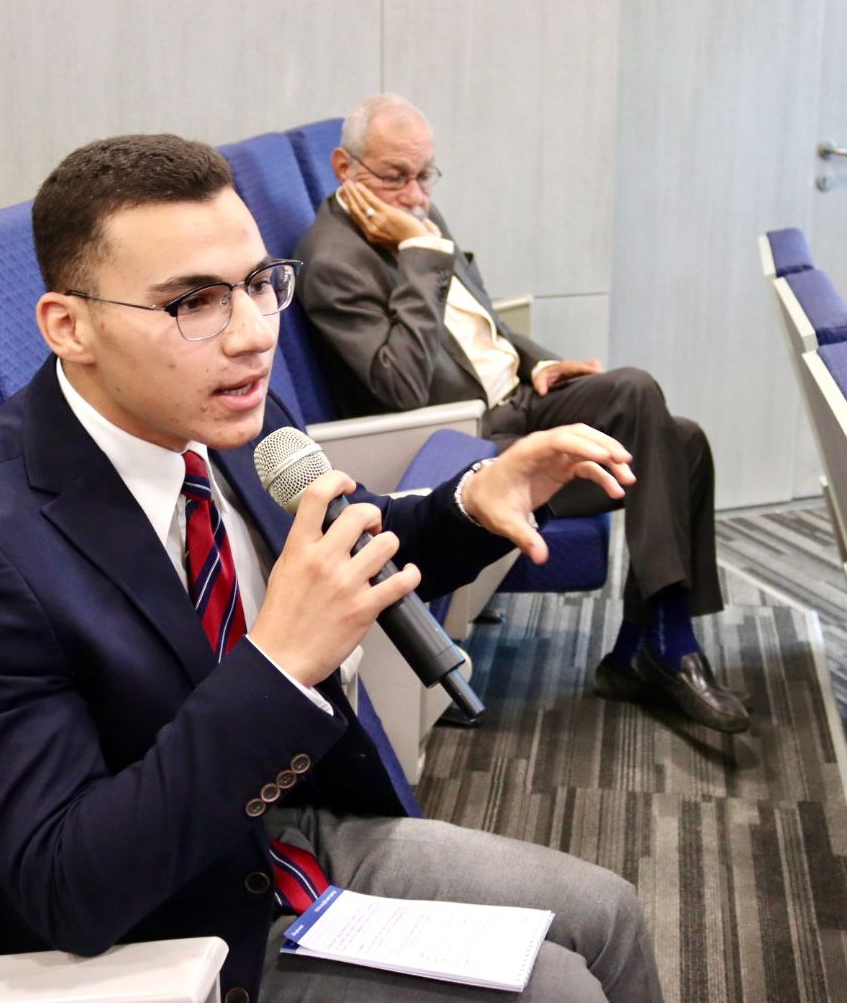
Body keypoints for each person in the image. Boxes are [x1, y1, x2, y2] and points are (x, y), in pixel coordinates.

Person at [0, 134, 674, 1003]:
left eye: (259, 284)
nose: (255, 334)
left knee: (606, 915)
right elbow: (70, 884)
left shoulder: (222, 412)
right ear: (69, 327)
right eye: (193, 302)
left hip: (278, 831)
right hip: (161, 943)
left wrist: (471, 502)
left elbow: (346, 539)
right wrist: (281, 664)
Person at [295, 93, 748, 735]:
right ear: (345, 167)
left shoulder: (418, 213)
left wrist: (537, 361)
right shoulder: (334, 262)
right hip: (467, 436)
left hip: (522, 399)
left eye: (426, 175)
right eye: (396, 176)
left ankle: (644, 648)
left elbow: (482, 320)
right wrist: (421, 256)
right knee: (672, 434)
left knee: (674, 432)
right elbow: (399, 388)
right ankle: (662, 644)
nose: (416, 194)